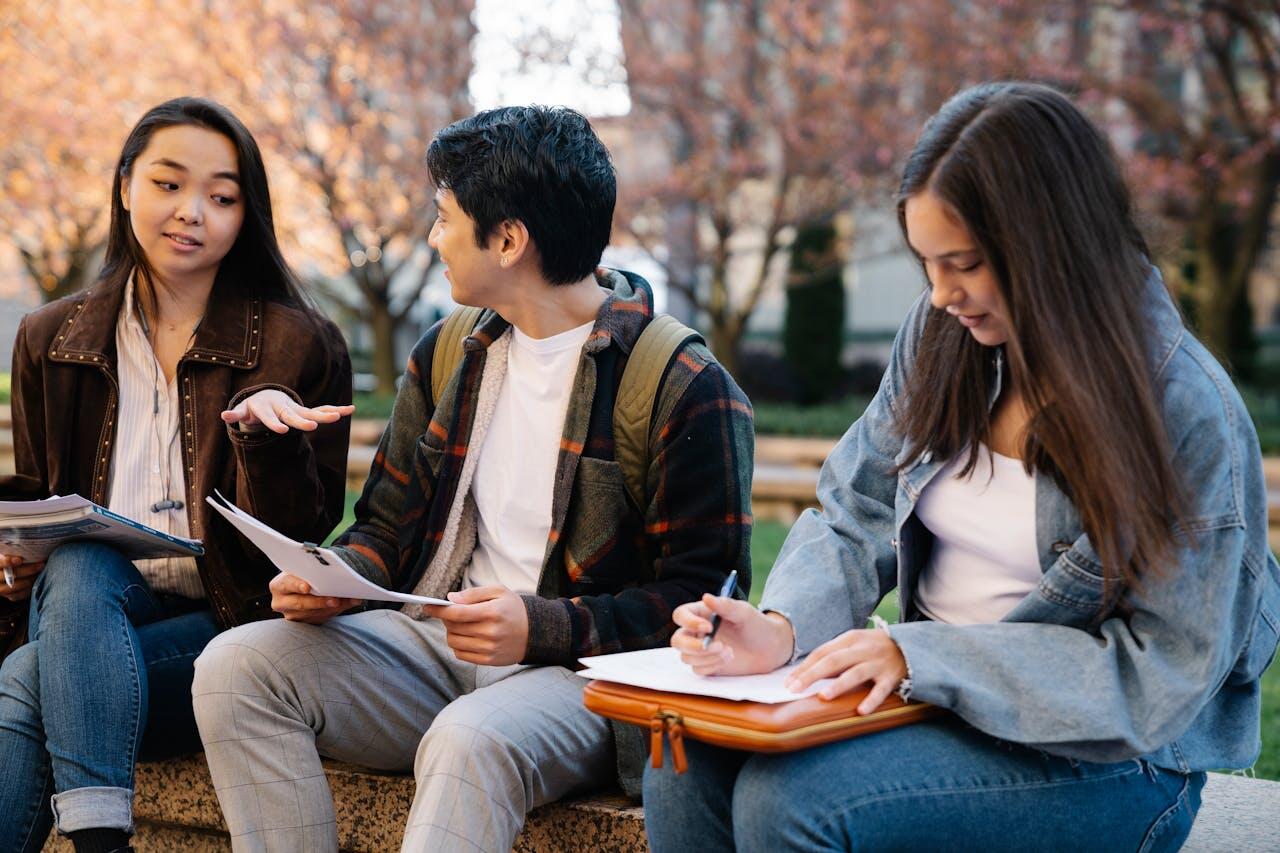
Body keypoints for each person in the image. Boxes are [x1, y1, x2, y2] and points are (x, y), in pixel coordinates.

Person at [644, 81, 1280, 852]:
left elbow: (1157, 678)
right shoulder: (945, 338)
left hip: (1115, 759)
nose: (943, 294)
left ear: (1052, 244)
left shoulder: (1181, 408)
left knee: (795, 803)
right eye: (928, 265)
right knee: (684, 758)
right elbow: (854, 511)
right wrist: (781, 630)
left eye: (967, 264)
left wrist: (924, 656)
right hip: (929, 699)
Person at [190, 104, 755, 852]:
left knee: (467, 740)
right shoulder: (452, 351)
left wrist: (541, 624)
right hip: (431, 646)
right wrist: (340, 577)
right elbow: (387, 523)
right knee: (235, 667)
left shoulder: (681, 383)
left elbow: (699, 604)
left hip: (581, 678)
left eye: (444, 217)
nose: (433, 238)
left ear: (510, 240)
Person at [0, 97, 353, 853]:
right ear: (126, 184)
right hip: (87, 607)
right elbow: (38, 499)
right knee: (81, 561)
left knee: (28, 680)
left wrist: (264, 438)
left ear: (244, 213)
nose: (191, 211)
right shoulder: (48, 338)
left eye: (221, 197)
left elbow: (302, 540)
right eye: (167, 184)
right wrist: (13, 564)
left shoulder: (299, 344)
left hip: (227, 622)